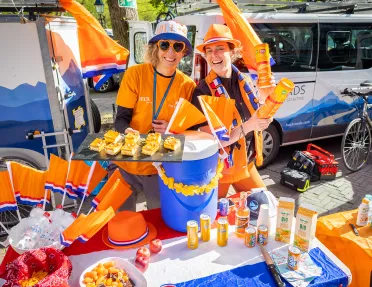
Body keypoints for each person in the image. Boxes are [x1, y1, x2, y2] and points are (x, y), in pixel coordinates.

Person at [111, 20, 196, 211]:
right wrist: (127, 131)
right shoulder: (135, 74)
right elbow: (120, 118)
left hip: (161, 169)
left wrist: (172, 129)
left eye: (178, 46)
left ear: (184, 52)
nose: (171, 52)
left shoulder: (188, 86)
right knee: (123, 224)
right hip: (126, 163)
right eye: (164, 45)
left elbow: (192, 131)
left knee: (160, 222)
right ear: (155, 48)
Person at [191, 24, 274, 198]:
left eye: (220, 48)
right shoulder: (202, 91)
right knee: (211, 219)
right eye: (209, 50)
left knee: (263, 204)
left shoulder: (245, 80)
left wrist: (267, 99)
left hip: (245, 163)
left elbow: (259, 117)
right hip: (218, 169)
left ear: (232, 51)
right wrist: (250, 125)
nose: (214, 55)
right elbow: (212, 141)